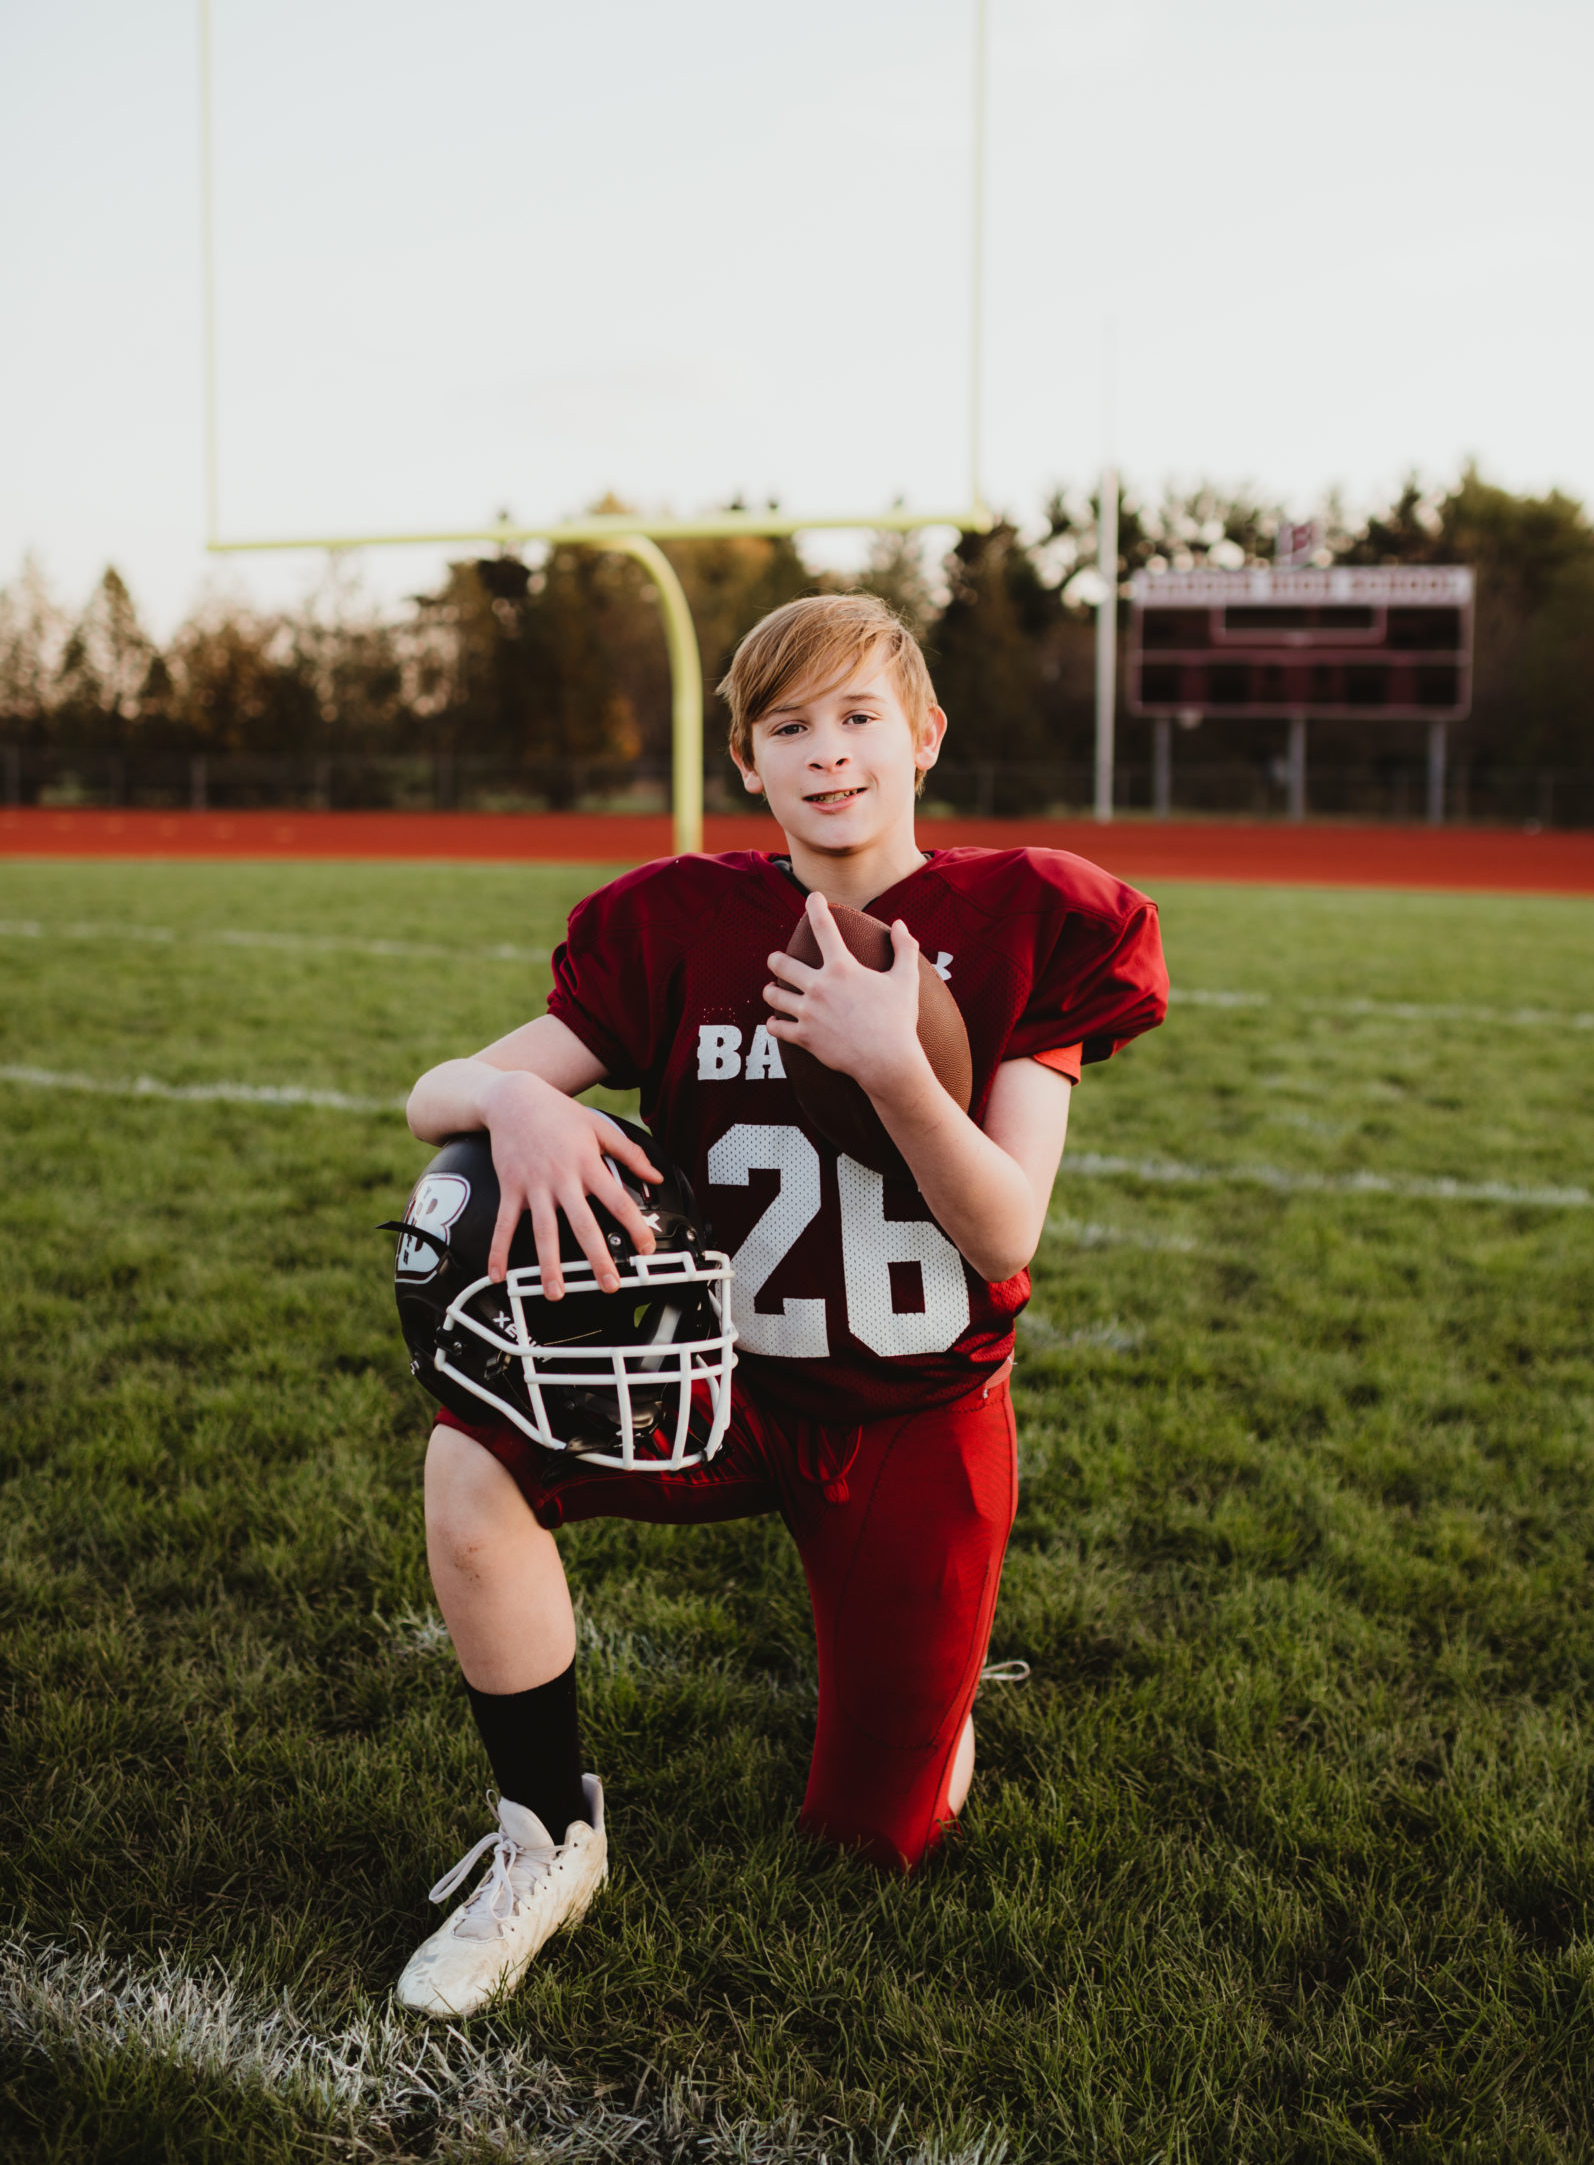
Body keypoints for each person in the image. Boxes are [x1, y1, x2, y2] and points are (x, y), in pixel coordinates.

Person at [397, 591, 1168, 2015]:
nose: (829, 753)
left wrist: (893, 1064)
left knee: (876, 1843)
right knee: (472, 1450)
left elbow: (1001, 1232)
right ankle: (546, 1836)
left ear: (923, 736)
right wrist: (514, 1101)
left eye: (860, 716)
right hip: (723, 1386)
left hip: (917, 1417)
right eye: (789, 726)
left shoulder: (1022, 922)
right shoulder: (682, 922)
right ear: (747, 760)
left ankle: (928, 1721)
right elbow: (427, 1091)